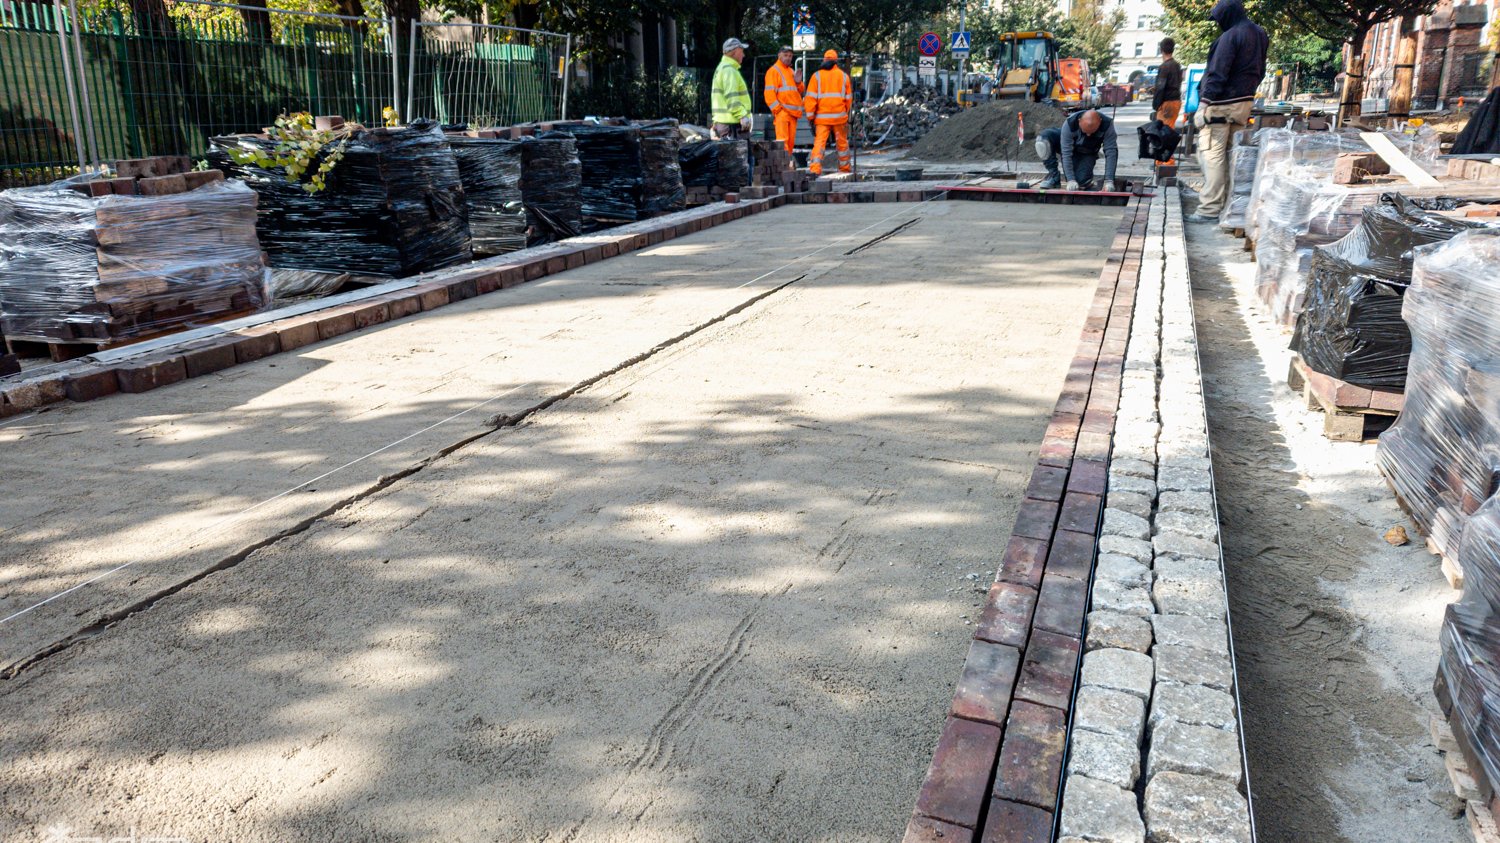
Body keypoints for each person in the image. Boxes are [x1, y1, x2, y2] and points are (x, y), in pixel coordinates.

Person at [1186, 0, 1268, 222]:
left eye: (1218, 19)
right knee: (1234, 158)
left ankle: (1209, 209)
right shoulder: (1260, 34)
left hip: (1221, 104)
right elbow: (1261, 70)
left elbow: (1217, 72)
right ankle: (1232, 209)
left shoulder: (1229, 37)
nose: (1217, 24)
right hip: (1243, 104)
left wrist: (1204, 103)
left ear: (1226, 16)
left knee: (1211, 155)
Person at [1035, 109, 1118, 191]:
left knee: (1081, 183)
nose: (1088, 135)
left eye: (1092, 132)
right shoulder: (1070, 123)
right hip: (1071, 146)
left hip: (1087, 152)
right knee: (1042, 141)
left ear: (1100, 122)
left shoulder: (1107, 125)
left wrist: (1109, 180)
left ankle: (1083, 178)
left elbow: (1111, 153)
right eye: (1085, 131)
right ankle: (1054, 176)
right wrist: (1070, 180)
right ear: (1079, 121)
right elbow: (1066, 153)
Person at [803, 49, 853, 176]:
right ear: (836, 61)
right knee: (842, 143)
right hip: (839, 117)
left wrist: (810, 117)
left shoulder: (817, 76)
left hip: (822, 119)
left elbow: (810, 99)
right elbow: (848, 99)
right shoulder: (844, 76)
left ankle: (815, 169)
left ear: (824, 60)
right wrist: (845, 114)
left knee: (819, 144)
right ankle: (845, 169)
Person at [763, 45, 805, 156]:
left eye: (790, 56)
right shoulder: (773, 71)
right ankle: (784, 166)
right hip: (783, 113)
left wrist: (798, 82)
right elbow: (769, 94)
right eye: (785, 55)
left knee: (790, 144)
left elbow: (800, 90)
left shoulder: (791, 71)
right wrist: (778, 110)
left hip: (792, 114)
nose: (788, 58)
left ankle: (787, 165)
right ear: (779, 55)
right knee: (783, 143)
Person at [711, 37, 753, 140]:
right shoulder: (729, 70)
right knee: (741, 155)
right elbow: (732, 98)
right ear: (735, 52)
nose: (743, 55)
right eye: (742, 51)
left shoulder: (722, 67)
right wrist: (742, 116)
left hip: (725, 124)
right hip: (733, 125)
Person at [1153, 38, 1184, 129]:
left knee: (1162, 133)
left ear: (1161, 50)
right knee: (1170, 129)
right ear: (1173, 50)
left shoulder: (1164, 67)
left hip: (1167, 104)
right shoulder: (1177, 65)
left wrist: (1156, 105)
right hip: (1176, 102)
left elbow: (1160, 87)